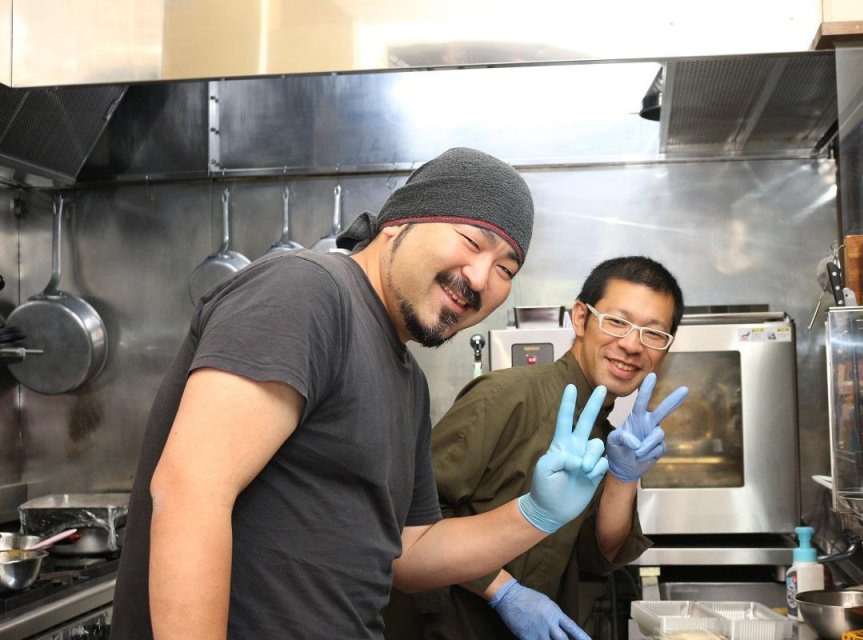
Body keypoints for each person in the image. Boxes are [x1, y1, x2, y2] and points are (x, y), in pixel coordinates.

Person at [110, 147, 614, 640]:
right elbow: (191, 491)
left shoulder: (407, 381)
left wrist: (536, 514)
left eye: (506, 269)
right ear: (401, 221)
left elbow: (409, 553)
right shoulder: (307, 291)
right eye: (470, 241)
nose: (481, 278)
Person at [385, 256, 688, 640]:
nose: (631, 345)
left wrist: (624, 477)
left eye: (653, 333)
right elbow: (409, 518)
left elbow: (604, 555)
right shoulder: (508, 396)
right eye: (617, 321)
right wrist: (503, 591)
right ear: (580, 318)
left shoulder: (607, 436)